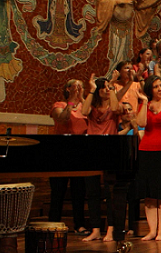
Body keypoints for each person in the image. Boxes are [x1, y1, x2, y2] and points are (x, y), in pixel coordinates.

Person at [134, 75, 161, 241]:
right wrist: (145, 103)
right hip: (147, 150)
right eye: (156, 86)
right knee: (150, 193)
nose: (160, 89)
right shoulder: (144, 105)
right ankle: (152, 230)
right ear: (150, 90)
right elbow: (142, 123)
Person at [79, 74, 121, 241]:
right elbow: (83, 111)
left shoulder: (113, 104)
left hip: (110, 149)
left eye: (106, 87)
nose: (105, 89)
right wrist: (92, 90)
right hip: (92, 149)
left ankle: (111, 228)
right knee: (92, 190)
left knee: (109, 191)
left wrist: (111, 87)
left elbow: (117, 109)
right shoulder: (92, 106)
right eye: (102, 87)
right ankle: (96, 229)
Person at [49, 79, 89, 234]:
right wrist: (72, 101)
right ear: (67, 89)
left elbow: (93, 117)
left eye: (81, 87)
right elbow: (63, 118)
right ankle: (53, 224)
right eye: (75, 86)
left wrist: (83, 99)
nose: (78, 89)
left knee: (79, 190)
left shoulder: (85, 106)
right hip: (60, 152)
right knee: (58, 191)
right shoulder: (58, 105)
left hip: (80, 152)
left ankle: (79, 224)